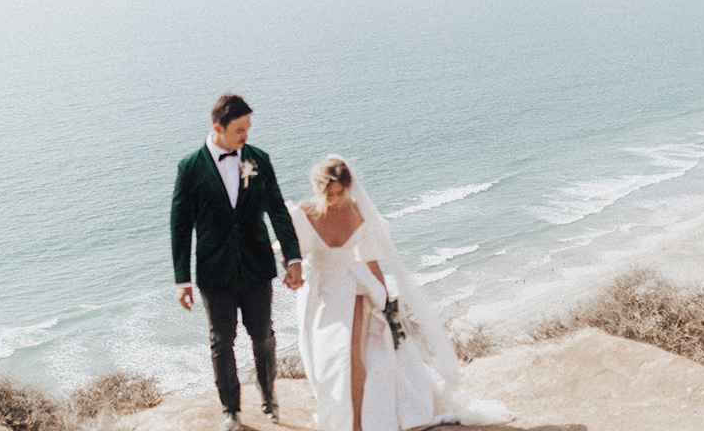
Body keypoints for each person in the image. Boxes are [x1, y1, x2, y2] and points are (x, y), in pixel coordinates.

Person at [287, 156, 513, 431]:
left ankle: (356, 423)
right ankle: (336, 412)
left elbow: (371, 261)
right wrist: (292, 272)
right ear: (317, 188)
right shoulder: (303, 213)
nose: (334, 200)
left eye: (340, 193)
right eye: (329, 194)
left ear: (349, 187)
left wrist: (386, 302)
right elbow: (293, 256)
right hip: (319, 292)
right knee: (323, 357)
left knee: (350, 352)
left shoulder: (360, 213)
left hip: (354, 287)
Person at [170, 93, 303, 431]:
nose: (246, 135)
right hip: (214, 272)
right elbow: (180, 225)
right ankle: (230, 410)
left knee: (263, 336)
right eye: (240, 129)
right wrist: (181, 279)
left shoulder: (259, 159)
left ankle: (269, 397)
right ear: (218, 128)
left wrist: (293, 257)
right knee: (221, 341)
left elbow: (277, 210)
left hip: (257, 265)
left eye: (248, 128)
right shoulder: (189, 168)